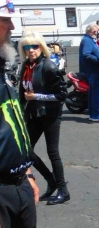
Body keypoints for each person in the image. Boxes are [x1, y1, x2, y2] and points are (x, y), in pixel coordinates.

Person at [0, 0, 40, 228]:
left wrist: (26, 171)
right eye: (4, 21)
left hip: (18, 186)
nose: (11, 27)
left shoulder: (2, 67)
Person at [18, 31, 69, 205]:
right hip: (34, 114)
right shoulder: (26, 66)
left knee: (52, 152)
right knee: (26, 150)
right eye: (27, 47)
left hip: (50, 114)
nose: (31, 50)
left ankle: (63, 190)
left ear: (41, 47)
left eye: (35, 46)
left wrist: (36, 96)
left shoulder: (49, 67)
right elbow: (22, 93)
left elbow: (62, 95)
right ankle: (51, 180)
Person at [79, 23, 99, 122]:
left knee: (92, 93)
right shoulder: (87, 40)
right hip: (93, 70)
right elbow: (86, 54)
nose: (96, 33)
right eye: (94, 31)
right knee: (95, 93)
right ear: (89, 31)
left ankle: (93, 114)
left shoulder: (89, 40)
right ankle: (95, 114)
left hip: (93, 70)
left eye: (97, 31)